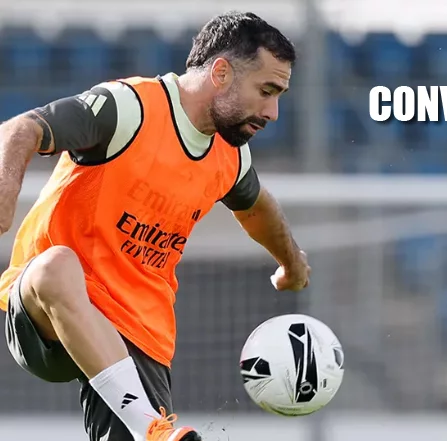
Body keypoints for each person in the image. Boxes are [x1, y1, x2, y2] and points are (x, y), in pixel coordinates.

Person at [0, 11, 310, 441]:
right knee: (55, 267)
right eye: (266, 91)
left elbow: (257, 208)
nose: (273, 112)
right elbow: (20, 130)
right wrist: (4, 198)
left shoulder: (231, 156)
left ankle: (149, 429)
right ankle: (148, 426)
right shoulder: (129, 108)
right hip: (45, 314)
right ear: (221, 73)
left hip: (138, 329)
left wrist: (291, 262)